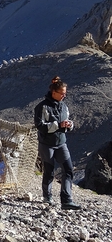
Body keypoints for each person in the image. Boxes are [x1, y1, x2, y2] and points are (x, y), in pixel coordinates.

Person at [34, 76, 82, 210]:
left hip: (61, 143)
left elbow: (67, 122)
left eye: (65, 94)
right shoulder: (42, 107)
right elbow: (39, 125)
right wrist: (58, 125)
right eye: (62, 93)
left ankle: (66, 200)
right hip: (46, 144)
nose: (64, 96)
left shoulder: (64, 106)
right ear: (54, 92)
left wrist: (69, 125)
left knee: (68, 170)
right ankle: (47, 197)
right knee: (49, 171)